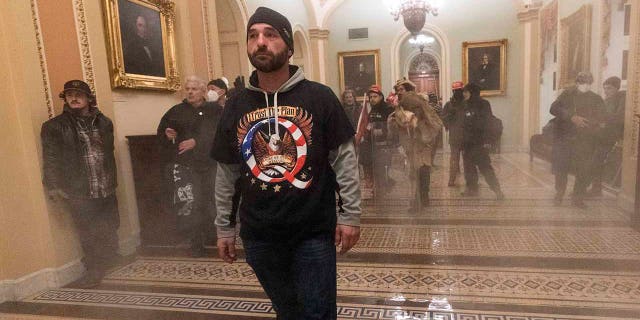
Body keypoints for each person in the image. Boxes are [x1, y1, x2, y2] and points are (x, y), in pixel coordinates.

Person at [212, 7, 360, 319]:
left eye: (270, 34)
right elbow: (227, 171)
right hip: (260, 234)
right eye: (253, 36)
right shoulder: (236, 104)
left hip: (312, 231)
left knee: (318, 313)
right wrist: (224, 227)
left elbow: (344, 159)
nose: (260, 42)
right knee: (288, 312)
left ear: (289, 47)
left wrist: (350, 216)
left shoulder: (319, 97)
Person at [41, 80, 119, 288]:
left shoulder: (104, 122)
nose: (74, 98)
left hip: (105, 187)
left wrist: (113, 181)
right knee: (87, 232)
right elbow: (50, 158)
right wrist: (53, 186)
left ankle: (107, 260)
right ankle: (93, 270)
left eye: (78, 94)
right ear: (65, 98)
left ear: (89, 98)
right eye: (70, 94)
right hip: (79, 190)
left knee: (110, 226)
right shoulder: (54, 127)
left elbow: (109, 154)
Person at [157, 76, 222, 257]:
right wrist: (168, 135)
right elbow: (163, 133)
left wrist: (197, 142)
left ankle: (213, 235)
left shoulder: (214, 110)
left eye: (194, 88)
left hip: (210, 164)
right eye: (187, 89)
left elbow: (220, 133)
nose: (190, 92)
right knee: (192, 203)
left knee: (212, 201)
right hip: (187, 167)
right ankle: (195, 241)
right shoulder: (175, 111)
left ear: (203, 91)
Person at [550, 72, 605, 208]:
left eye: (587, 83)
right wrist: (572, 117)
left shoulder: (596, 99)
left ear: (591, 83)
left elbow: (602, 117)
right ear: (577, 83)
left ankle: (578, 197)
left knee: (583, 169)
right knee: (561, 168)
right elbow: (553, 108)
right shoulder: (567, 95)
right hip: (564, 137)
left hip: (585, 140)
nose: (584, 86)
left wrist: (588, 122)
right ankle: (559, 193)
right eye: (582, 83)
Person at [388, 86, 443, 210]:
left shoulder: (425, 113)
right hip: (411, 149)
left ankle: (423, 198)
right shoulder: (400, 112)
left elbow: (435, 127)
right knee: (415, 174)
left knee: (423, 172)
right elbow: (395, 131)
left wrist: (418, 129)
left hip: (423, 148)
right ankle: (417, 200)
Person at [460, 83, 505, 200]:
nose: (464, 94)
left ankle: (497, 191)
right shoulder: (465, 105)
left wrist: (488, 141)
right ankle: (472, 189)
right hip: (468, 144)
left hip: (479, 143)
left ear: (472, 92)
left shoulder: (484, 104)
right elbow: (463, 125)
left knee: (486, 168)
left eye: (466, 91)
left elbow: (488, 123)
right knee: (469, 169)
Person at [588, 76, 626, 195]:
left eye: (609, 88)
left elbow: (619, 118)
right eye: (605, 88)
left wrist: (603, 120)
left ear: (616, 88)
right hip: (601, 134)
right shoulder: (606, 100)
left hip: (612, 135)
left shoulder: (622, 99)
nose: (606, 91)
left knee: (596, 160)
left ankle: (595, 189)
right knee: (589, 157)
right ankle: (590, 188)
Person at [357, 85, 394, 192]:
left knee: (381, 169)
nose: (372, 99)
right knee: (371, 167)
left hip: (384, 145)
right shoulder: (372, 110)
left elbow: (392, 126)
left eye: (375, 96)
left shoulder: (388, 109)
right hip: (372, 144)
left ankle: (382, 188)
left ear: (381, 97)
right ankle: (376, 188)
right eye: (370, 97)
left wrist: (383, 131)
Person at [441, 81, 466, 186]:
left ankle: (471, 181)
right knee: (454, 158)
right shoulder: (448, 105)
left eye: (459, 91)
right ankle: (451, 179)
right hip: (455, 135)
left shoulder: (467, 103)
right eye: (456, 91)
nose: (457, 93)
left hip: (467, 136)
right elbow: (443, 119)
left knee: (468, 160)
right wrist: (450, 116)